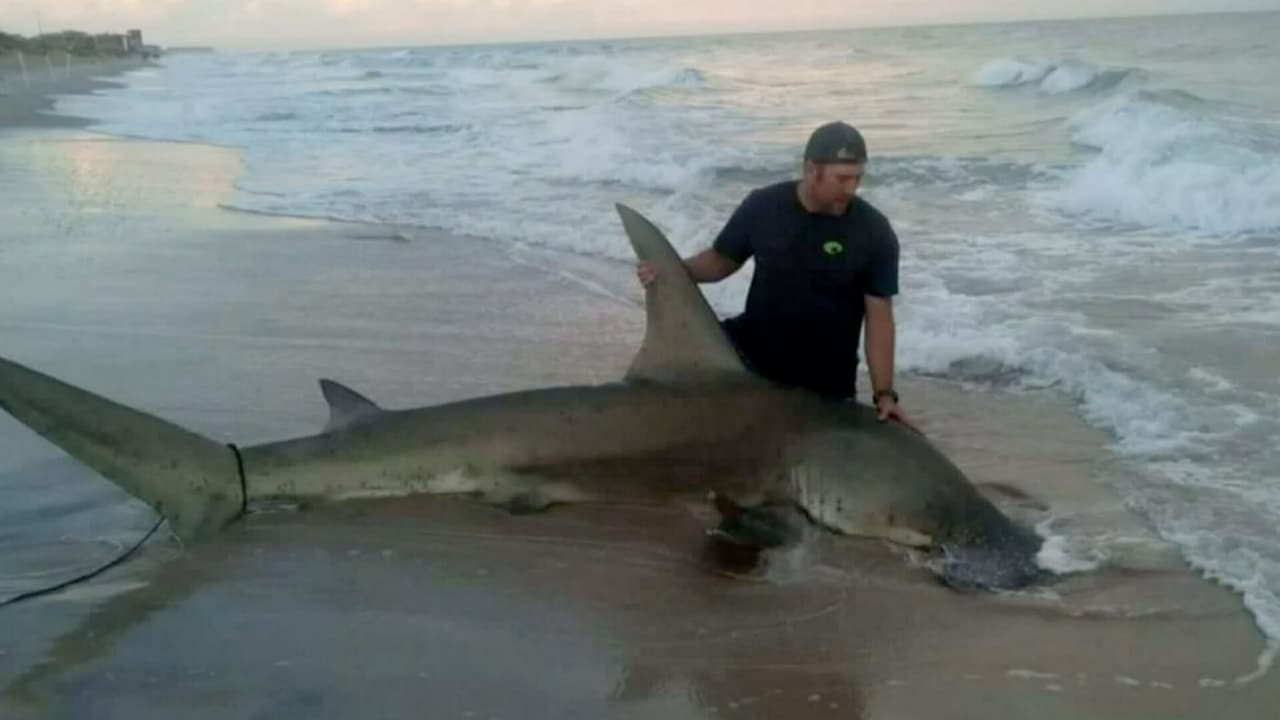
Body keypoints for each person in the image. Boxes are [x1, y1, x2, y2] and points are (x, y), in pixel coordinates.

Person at [637, 120, 914, 429]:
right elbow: (720, 262)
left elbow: (879, 318)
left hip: (825, 384)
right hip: (751, 362)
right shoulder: (764, 207)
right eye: (842, 179)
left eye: (857, 179)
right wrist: (671, 271)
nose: (851, 189)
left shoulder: (874, 231)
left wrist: (884, 394)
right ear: (811, 169)